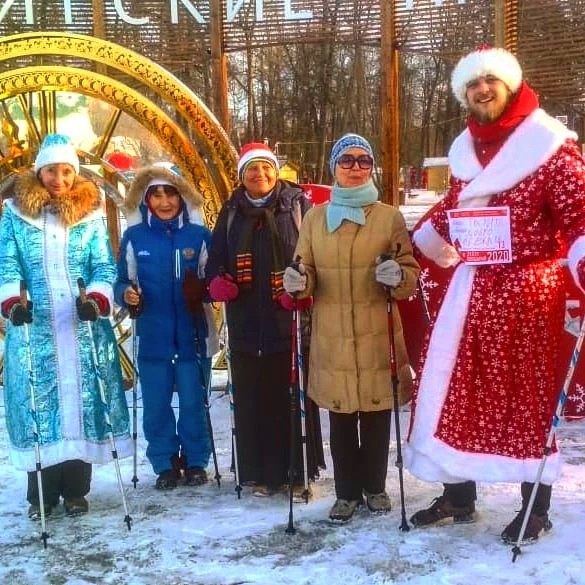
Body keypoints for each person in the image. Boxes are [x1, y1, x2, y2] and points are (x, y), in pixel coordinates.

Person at [406, 46, 585, 544]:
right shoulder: (466, 150)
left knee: (527, 400)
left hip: (530, 293)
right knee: (451, 391)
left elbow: (579, 212)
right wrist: (412, 247)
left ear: (509, 84)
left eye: (490, 80)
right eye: (472, 84)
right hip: (472, 290)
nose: (482, 90)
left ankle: (536, 507)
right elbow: (454, 208)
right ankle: (459, 497)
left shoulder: (550, 145)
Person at [284, 133, 420, 522]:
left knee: (378, 414)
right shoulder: (313, 218)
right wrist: (297, 281)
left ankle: (375, 487)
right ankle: (346, 493)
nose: (356, 167)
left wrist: (398, 275)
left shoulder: (389, 216)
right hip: (333, 336)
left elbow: (409, 271)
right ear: (334, 169)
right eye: (347, 161)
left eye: (363, 161)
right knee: (341, 417)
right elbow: (303, 268)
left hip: (379, 333)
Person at [0, 133, 131, 518]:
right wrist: (12, 303)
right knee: (40, 407)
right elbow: (8, 264)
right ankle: (40, 496)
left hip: (81, 324)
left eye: (66, 172)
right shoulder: (15, 216)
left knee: (83, 404)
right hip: (35, 326)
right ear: (39, 173)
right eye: (52, 171)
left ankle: (77, 491)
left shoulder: (89, 217)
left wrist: (97, 297)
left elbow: (103, 265)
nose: (59, 179)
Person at [206, 142, 325, 498]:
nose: (260, 175)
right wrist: (218, 281)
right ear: (242, 176)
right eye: (252, 170)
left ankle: (295, 471)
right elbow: (216, 258)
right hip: (245, 323)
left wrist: (303, 288)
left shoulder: (298, 207)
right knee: (253, 398)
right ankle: (258, 472)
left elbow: (316, 258)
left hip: (288, 320)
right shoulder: (231, 212)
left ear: (277, 171)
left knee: (289, 398)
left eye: (266, 168)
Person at [114, 164, 218, 490]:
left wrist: (202, 289)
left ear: (181, 197)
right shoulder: (135, 237)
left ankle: (196, 461)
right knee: (156, 405)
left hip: (192, 336)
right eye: (155, 194)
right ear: (146, 200)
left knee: (192, 402)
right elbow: (121, 282)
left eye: (170, 193)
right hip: (152, 336)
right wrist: (127, 295)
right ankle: (165, 463)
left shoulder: (199, 236)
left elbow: (214, 281)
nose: (164, 201)